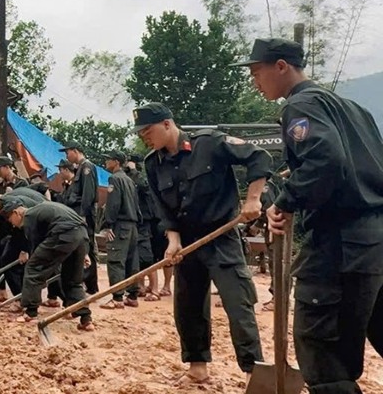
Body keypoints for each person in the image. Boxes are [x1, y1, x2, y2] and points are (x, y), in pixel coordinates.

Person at [235, 37, 383, 393]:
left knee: (323, 355)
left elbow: (325, 159)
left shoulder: (301, 105)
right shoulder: (353, 110)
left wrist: (285, 201)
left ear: (282, 66)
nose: (255, 82)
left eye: (257, 72)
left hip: (341, 245)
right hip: (377, 240)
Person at [136, 102, 271, 385]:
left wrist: (253, 199)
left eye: (147, 131)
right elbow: (163, 209)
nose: (143, 137)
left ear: (167, 124)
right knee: (188, 307)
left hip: (220, 235)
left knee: (238, 303)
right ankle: (198, 367)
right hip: (186, 243)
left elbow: (258, 156)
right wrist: (172, 241)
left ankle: (252, 371)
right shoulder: (152, 163)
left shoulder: (209, 143)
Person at [0, 197, 94, 331]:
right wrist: (84, 252)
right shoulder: (41, 210)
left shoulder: (30, 217)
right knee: (73, 279)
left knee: (33, 268)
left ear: (16, 213)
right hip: (81, 235)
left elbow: (35, 247)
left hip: (63, 234)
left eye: (10, 219)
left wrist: (38, 278)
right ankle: (86, 319)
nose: (12, 224)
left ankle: (30, 313)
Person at [100, 150, 141, 310]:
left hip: (120, 224)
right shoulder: (129, 180)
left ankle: (117, 297)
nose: (106, 162)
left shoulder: (115, 179)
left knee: (116, 260)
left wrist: (108, 224)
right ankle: (132, 295)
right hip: (132, 225)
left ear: (116, 162)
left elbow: (113, 204)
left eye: (108, 159)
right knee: (132, 260)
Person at [59, 141, 99, 294]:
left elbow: (88, 194)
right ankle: (90, 285)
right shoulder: (80, 168)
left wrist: (82, 215)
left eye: (67, 152)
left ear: (75, 151)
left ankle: (89, 284)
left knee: (86, 247)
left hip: (84, 215)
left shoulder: (87, 167)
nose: (67, 156)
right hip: (78, 213)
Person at [126, 153, 166, 300]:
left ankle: (155, 289)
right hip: (138, 221)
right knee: (138, 257)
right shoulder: (130, 178)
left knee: (149, 257)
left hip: (151, 222)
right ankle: (142, 285)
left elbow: (144, 186)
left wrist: (134, 171)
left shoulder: (143, 176)